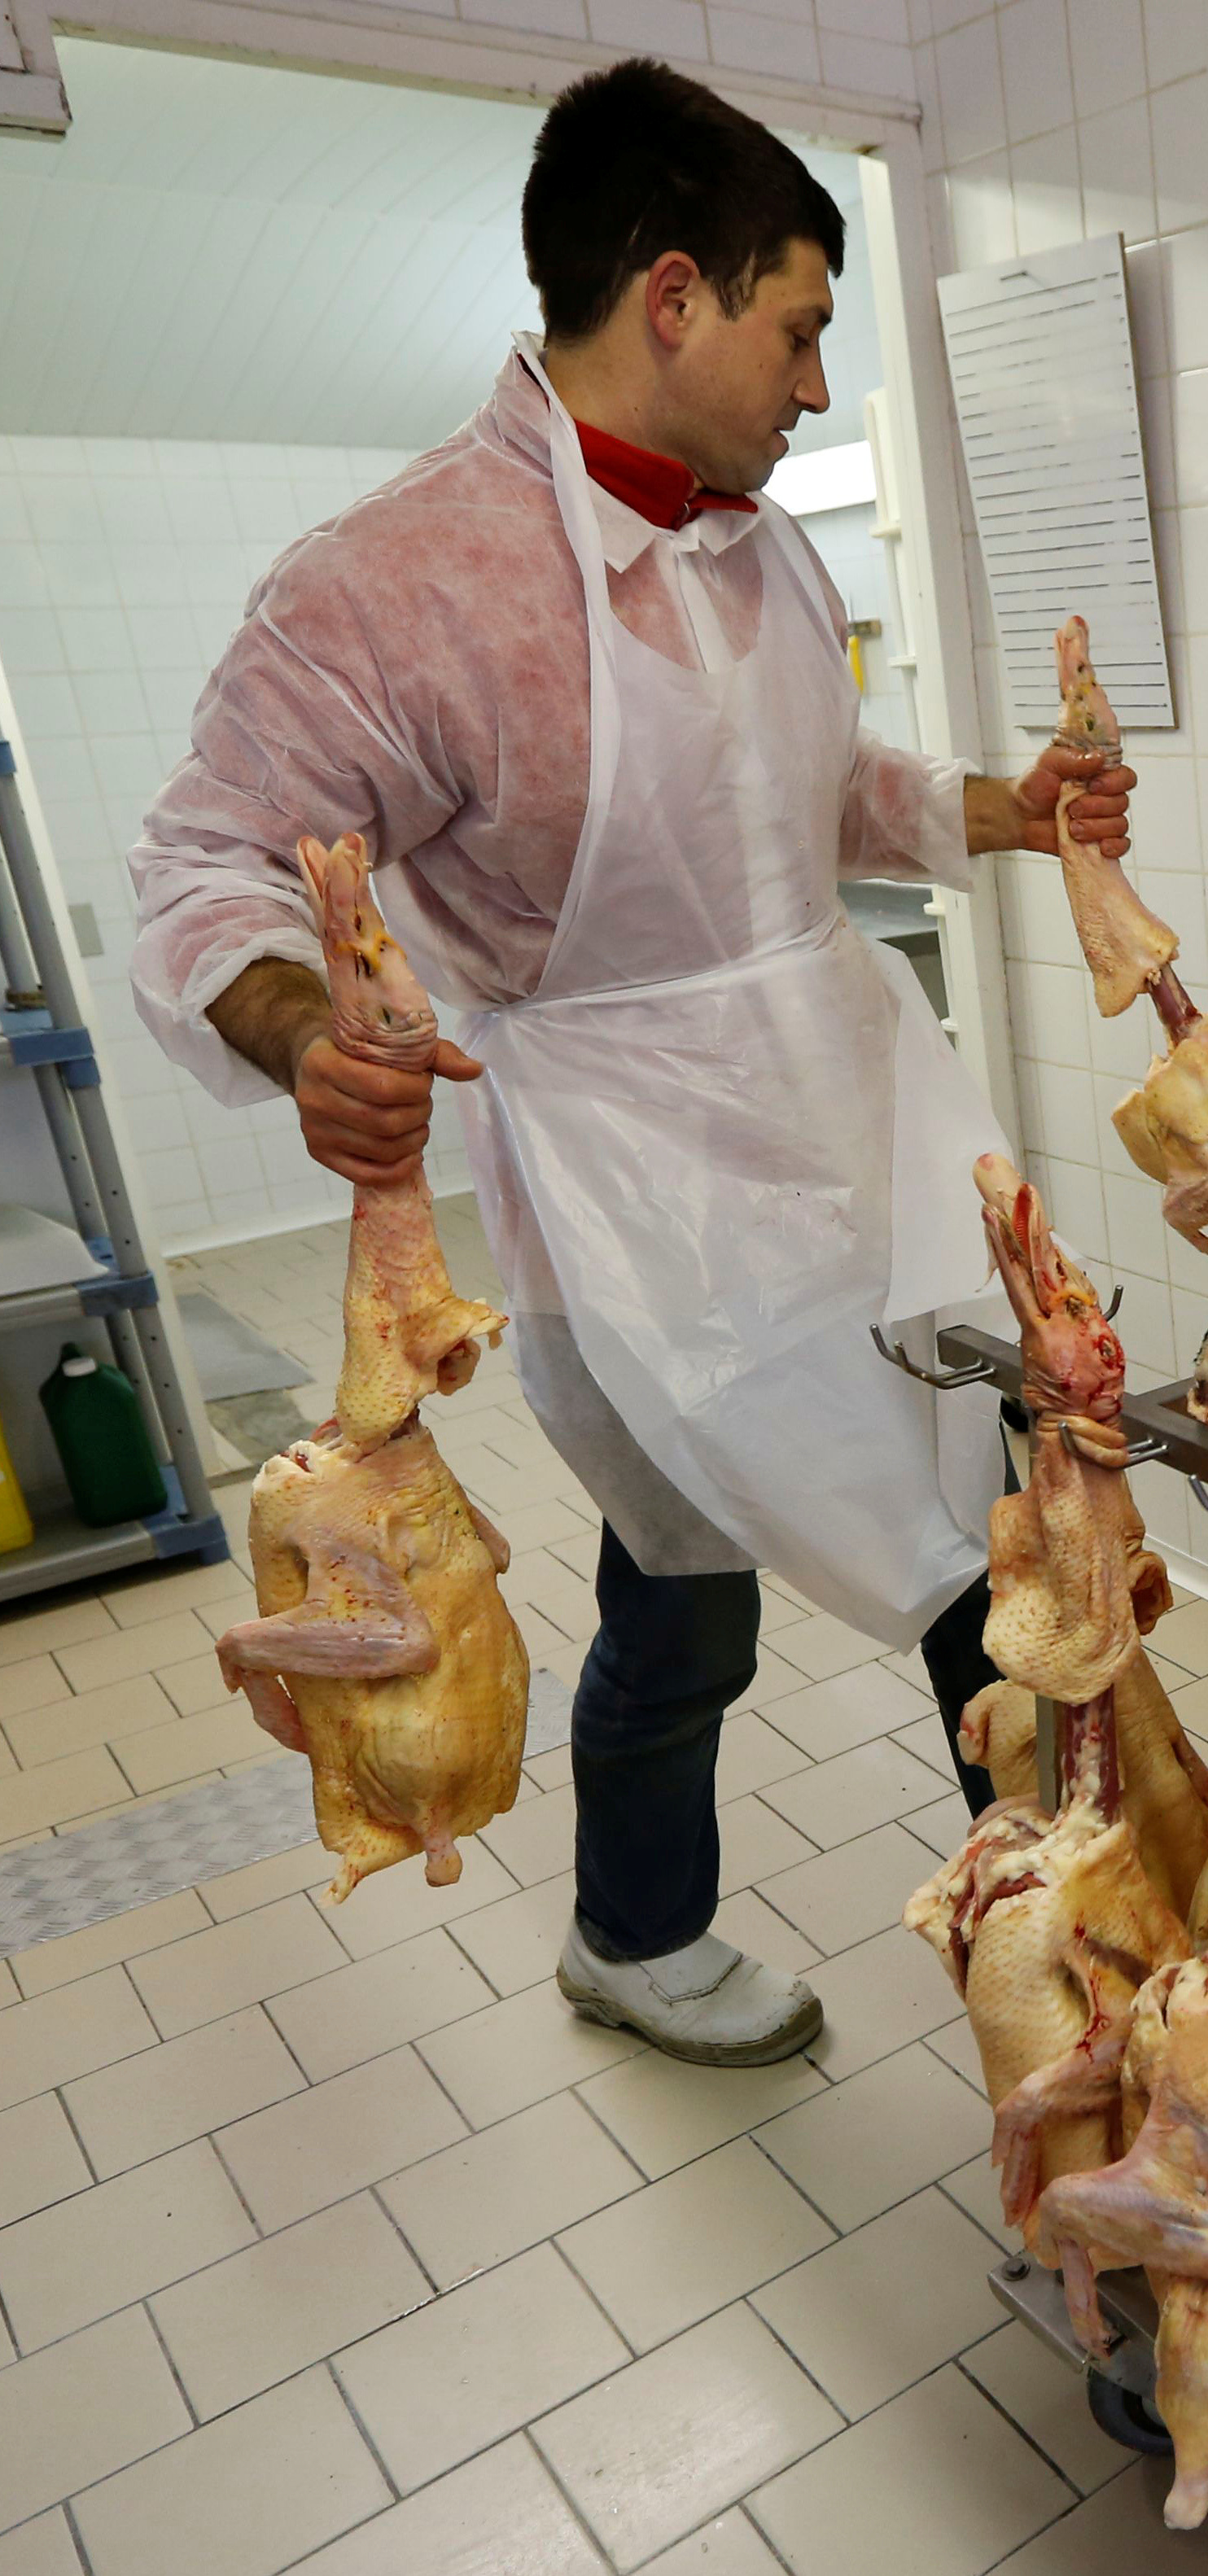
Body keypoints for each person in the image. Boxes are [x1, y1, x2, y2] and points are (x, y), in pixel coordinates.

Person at [129, 59, 1130, 2068]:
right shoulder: (393, 585)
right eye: (801, 325)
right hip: (633, 1186)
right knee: (725, 1596)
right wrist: (307, 1029)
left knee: (1000, 1534)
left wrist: (1006, 812)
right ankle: (1025, 2022)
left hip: (856, 1110)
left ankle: (1090, 1966)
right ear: (672, 295)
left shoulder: (760, 547)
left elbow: (815, 789)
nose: (813, 385)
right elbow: (197, 864)